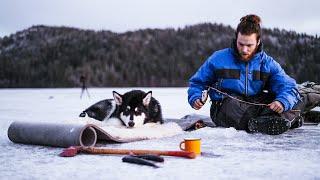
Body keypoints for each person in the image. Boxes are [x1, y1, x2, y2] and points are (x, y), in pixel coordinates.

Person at [187, 14, 302, 135]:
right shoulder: (218, 59)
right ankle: (278, 120)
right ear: (236, 39)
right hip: (225, 107)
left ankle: (272, 120)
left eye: (249, 45)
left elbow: (288, 85)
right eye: (241, 44)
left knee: (294, 99)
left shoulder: (267, 63)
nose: (244, 50)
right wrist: (195, 97)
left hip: (254, 102)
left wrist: (282, 101)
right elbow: (197, 83)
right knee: (232, 106)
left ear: (258, 42)